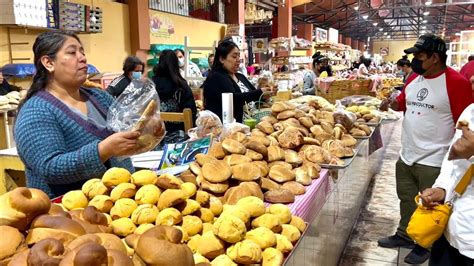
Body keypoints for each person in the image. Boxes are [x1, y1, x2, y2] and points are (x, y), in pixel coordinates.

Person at [378, 33, 473, 264]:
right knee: (406, 197)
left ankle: (425, 244)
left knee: (430, 204)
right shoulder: (413, 79)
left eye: (419, 55)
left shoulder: (456, 82)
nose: (414, 61)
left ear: (435, 57)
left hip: (435, 158)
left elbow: (465, 125)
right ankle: (404, 234)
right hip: (408, 152)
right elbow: (404, 104)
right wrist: (391, 103)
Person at [14, 30, 142, 198]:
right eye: (72, 52)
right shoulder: (36, 111)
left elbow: (128, 128)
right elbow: (49, 167)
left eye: (82, 51)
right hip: (68, 213)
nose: (82, 57)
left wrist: (146, 130)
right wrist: (103, 150)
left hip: (120, 203)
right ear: (48, 63)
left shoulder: (100, 97)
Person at [420, 104, 474, 266]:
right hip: (451, 229)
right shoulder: (471, 110)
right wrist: (442, 188)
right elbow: (453, 163)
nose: (470, 79)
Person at [203, 40, 272, 123]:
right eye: (234, 56)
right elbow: (233, 99)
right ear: (221, 59)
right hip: (230, 128)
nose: (238, 60)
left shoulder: (240, 76)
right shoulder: (216, 77)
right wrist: (259, 92)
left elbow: (254, 97)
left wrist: (264, 95)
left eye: (239, 56)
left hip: (252, 123)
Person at [152, 50, 197, 134]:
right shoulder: (181, 85)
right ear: (175, 65)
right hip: (179, 135)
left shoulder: (151, 85)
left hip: (155, 134)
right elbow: (191, 112)